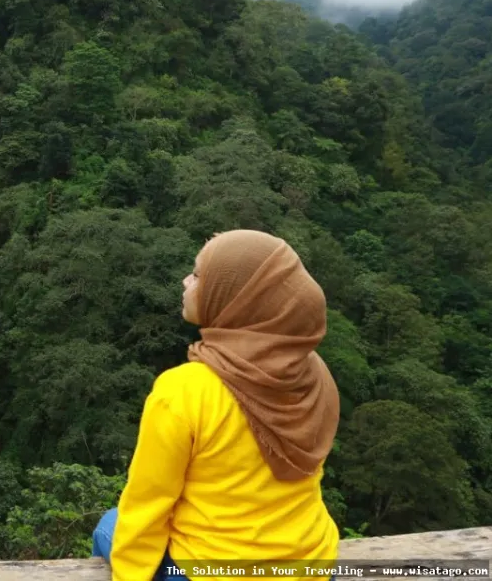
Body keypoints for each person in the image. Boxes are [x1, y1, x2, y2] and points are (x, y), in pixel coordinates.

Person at [92, 230, 341, 580]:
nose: (185, 281)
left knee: (109, 525)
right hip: (310, 561)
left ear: (236, 298)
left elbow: (148, 504)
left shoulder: (184, 390)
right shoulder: (313, 374)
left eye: (197, 276)